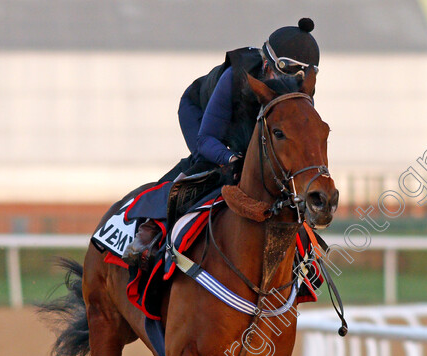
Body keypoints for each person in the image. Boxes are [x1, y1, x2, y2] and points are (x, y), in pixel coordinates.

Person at [122, 18, 321, 267]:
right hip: (200, 114)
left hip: (249, 121)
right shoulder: (233, 78)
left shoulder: (297, 95)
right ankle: (150, 230)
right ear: (268, 65)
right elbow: (206, 140)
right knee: (210, 166)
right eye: (283, 77)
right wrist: (230, 158)